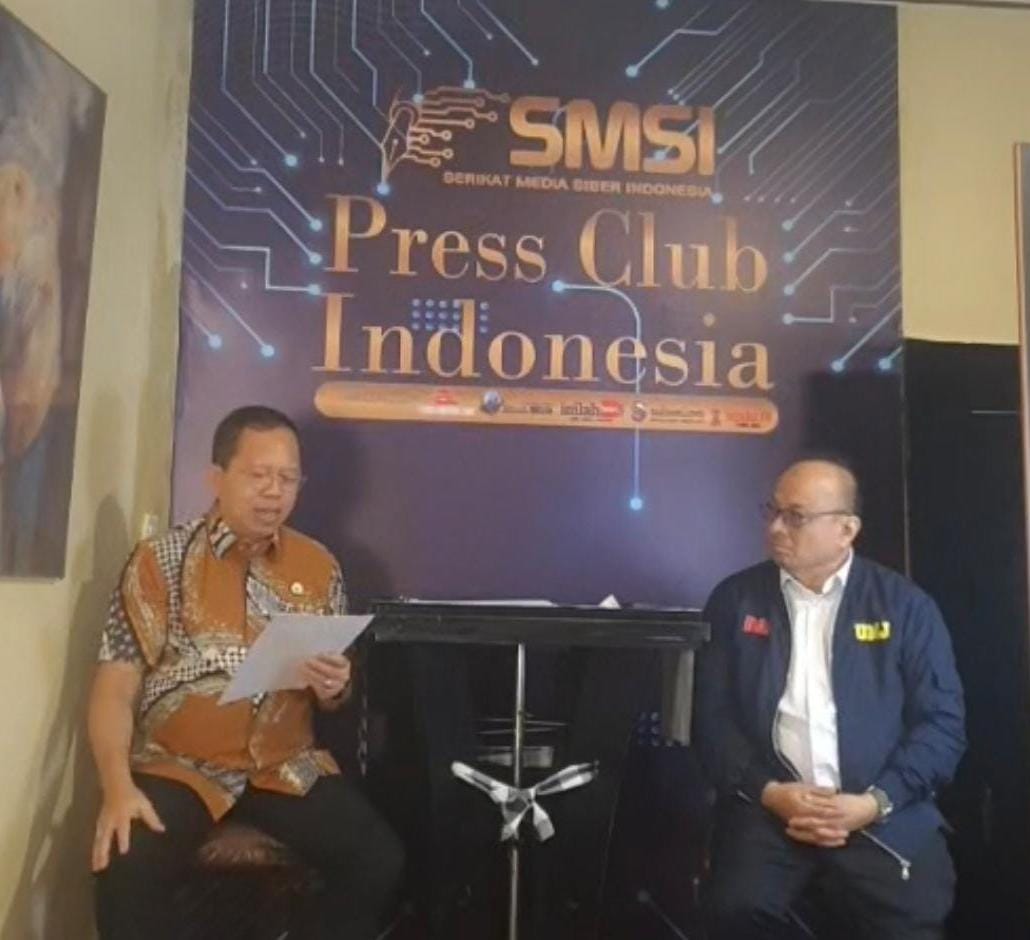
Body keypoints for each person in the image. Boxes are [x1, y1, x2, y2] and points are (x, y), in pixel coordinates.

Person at [89, 405, 403, 940]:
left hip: (282, 764)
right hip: (178, 764)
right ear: (216, 477)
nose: (273, 492)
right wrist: (117, 789)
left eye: (287, 479)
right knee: (126, 856)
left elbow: (336, 692)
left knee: (378, 859)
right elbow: (115, 687)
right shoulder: (159, 561)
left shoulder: (318, 565)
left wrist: (336, 685)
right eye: (258, 475)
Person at [695, 457, 965, 940]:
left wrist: (874, 802)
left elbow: (942, 726)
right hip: (770, 808)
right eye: (773, 512)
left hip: (880, 809)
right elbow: (712, 720)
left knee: (914, 917)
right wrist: (769, 792)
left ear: (846, 530)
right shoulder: (736, 600)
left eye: (795, 516)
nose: (776, 528)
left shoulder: (905, 606)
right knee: (734, 909)